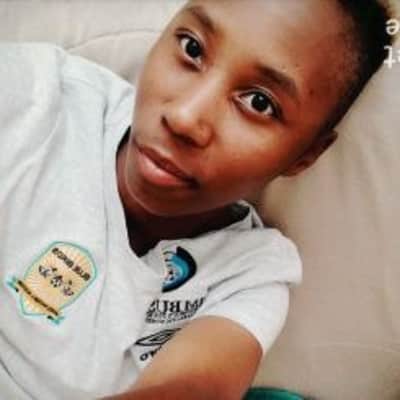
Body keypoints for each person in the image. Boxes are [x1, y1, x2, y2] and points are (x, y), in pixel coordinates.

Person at [0, 0, 394, 399]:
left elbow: (197, 387)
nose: (184, 118)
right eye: (192, 48)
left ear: (305, 156)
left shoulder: (247, 274)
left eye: (258, 103)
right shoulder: (38, 100)